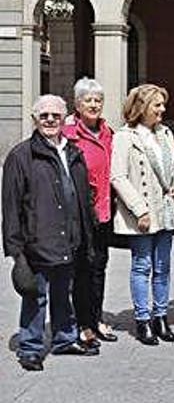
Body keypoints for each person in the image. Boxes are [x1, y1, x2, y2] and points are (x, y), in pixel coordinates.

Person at [3, 95, 99, 371]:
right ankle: (30, 347)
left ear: (64, 118)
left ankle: (64, 339)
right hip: (37, 241)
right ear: (35, 119)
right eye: (43, 115)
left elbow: (82, 197)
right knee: (35, 295)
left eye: (55, 115)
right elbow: (10, 208)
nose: (49, 120)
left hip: (69, 237)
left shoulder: (73, 151)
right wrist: (15, 252)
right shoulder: (22, 155)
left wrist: (87, 234)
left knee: (63, 292)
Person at [111, 84, 174, 345]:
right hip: (141, 212)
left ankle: (160, 316)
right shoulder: (124, 136)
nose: (163, 109)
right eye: (157, 105)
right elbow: (117, 176)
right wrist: (139, 210)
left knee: (162, 267)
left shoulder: (165, 133)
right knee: (142, 265)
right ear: (142, 108)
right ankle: (142, 319)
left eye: (162, 104)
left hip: (165, 209)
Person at [61, 78, 118, 347]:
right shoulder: (68, 133)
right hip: (78, 214)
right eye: (88, 100)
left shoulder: (108, 132)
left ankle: (97, 317)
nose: (94, 105)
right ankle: (82, 323)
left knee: (99, 266)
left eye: (98, 100)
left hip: (103, 212)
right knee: (81, 268)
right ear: (77, 104)